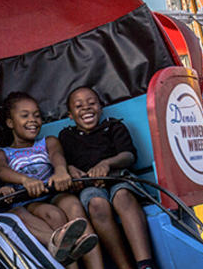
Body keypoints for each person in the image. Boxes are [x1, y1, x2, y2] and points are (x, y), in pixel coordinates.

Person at [0, 113, 91, 266]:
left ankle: (57, 241)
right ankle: (58, 243)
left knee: (18, 213)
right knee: (13, 219)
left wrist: (2, 192)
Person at [0, 92, 102, 268]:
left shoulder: (47, 142)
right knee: (53, 215)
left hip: (54, 193)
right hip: (29, 201)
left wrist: (60, 171)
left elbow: (57, 156)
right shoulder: (3, 153)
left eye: (37, 115)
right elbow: (1, 170)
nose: (33, 120)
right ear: (10, 123)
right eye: (25, 115)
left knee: (73, 205)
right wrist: (25, 180)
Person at [59, 87, 155, 269]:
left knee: (122, 196)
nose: (86, 108)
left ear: (101, 108)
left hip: (119, 178)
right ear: (70, 115)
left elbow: (128, 156)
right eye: (79, 106)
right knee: (96, 204)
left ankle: (145, 264)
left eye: (92, 103)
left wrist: (107, 163)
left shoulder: (113, 126)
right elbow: (64, 163)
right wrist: (70, 169)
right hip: (90, 186)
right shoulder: (67, 136)